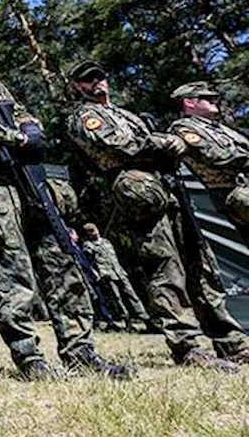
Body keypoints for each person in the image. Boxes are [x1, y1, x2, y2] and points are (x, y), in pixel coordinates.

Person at [0, 25, 129, 380]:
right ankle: (29, 358)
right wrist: (12, 136)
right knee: (12, 265)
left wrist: (31, 128)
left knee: (59, 257)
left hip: (26, 172)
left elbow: (21, 111)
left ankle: (80, 352)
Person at [66, 61, 247, 370]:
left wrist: (161, 147)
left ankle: (230, 342)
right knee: (165, 268)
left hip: (167, 188)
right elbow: (119, 145)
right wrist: (162, 143)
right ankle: (185, 346)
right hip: (139, 192)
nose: (96, 82)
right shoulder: (84, 117)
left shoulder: (126, 114)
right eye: (87, 79)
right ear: (77, 87)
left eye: (99, 76)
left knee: (201, 265)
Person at [168, 81, 249, 247]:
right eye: (206, 98)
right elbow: (215, 156)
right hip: (232, 192)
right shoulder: (183, 127)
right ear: (189, 102)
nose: (213, 101)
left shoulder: (221, 128)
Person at [80, 223, 150, 331]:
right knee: (117, 299)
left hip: (119, 272)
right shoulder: (88, 245)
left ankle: (144, 318)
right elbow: (88, 262)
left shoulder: (106, 242)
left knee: (131, 295)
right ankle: (126, 321)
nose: (96, 232)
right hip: (107, 275)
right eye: (92, 231)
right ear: (88, 234)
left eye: (96, 229)